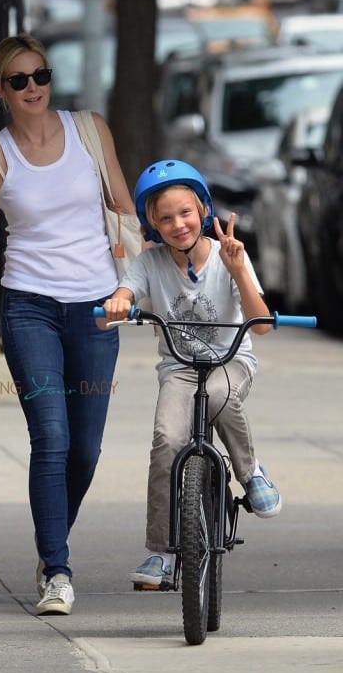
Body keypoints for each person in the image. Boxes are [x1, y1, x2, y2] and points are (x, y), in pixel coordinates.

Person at [0, 33, 137, 615]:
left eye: (42, 76)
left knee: (86, 450)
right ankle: (57, 569)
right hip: (29, 307)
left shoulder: (90, 130)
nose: (35, 88)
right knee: (51, 439)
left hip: (98, 309)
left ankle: (53, 537)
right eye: (20, 80)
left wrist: (143, 282)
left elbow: (124, 209)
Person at [101, 159, 282, 587]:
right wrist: (117, 301)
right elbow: (124, 293)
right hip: (180, 370)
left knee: (220, 395)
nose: (178, 224)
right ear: (152, 224)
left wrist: (238, 269)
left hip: (232, 361)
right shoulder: (151, 263)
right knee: (167, 439)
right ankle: (160, 554)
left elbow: (262, 324)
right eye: (165, 218)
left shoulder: (229, 255)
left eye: (185, 212)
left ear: (203, 210)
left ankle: (250, 470)